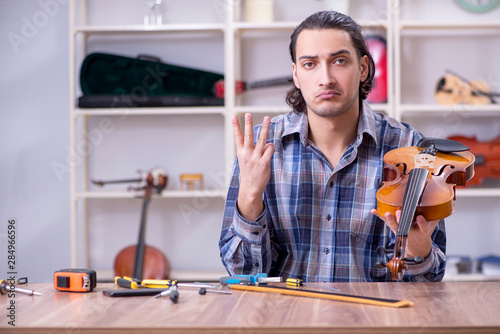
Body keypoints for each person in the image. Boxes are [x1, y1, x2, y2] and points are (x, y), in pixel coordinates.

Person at [219, 11, 446, 282]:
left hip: (374, 323)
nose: (325, 78)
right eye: (310, 64)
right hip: (283, 319)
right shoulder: (259, 149)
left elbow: (428, 285)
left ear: (363, 68)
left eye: (339, 61)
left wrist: (418, 251)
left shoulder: (410, 148)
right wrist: (250, 200)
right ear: (295, 74)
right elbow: (242, 274)